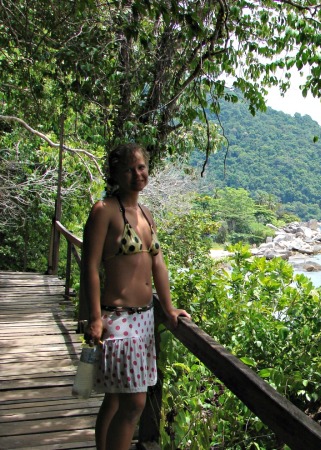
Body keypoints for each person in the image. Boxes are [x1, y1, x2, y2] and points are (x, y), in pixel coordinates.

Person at [81, 143, 190, 450]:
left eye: (141, 167)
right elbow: (89, 267)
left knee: (116, 399)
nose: (137, 174)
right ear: (115, 174)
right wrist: (94, 318)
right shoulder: (104, 211)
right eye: (129, 169)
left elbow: (158, 263)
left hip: (143, 319)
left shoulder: (145, 213)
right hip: (118, 319)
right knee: (134, 406)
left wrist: (168, 309)